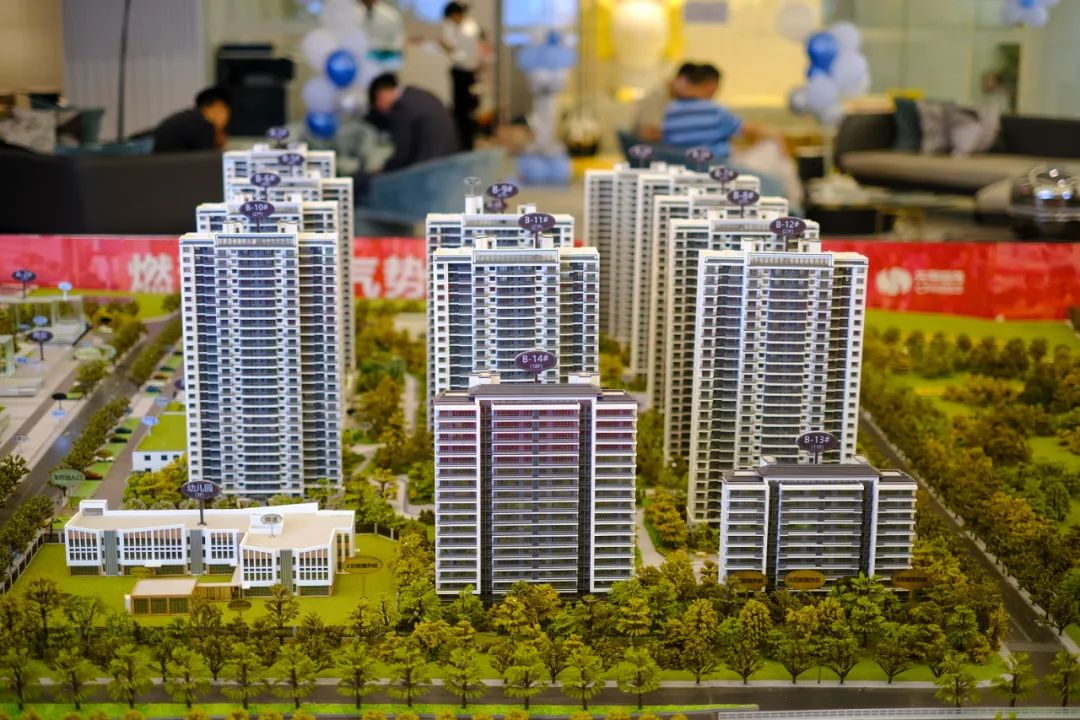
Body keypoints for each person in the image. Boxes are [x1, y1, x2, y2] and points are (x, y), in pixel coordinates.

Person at [356, 73, 459, 192]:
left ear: (381, 95)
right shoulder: (421, 95)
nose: (383, 112)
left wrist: (382, 172)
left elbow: (401, 154)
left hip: (426, 174)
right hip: (447, 168)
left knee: (362, 181)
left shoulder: (401, 108)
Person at [661, 63, 780, 159]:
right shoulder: (714, 111)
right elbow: (750, 130)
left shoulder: (669, 109)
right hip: (716, 167)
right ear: (710, 85)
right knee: (770, 148)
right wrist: (775, 136)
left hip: (679, 164)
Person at [440, 2, 481, 150]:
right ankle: (461, 142)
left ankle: (466, 143)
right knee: (460, 110)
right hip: (459, 71)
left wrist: (450, 49)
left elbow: (463, 54)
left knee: (466, 110)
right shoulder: (452, 26)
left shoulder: (469, 27)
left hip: (466, 72)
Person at [152, 87, 230, 153]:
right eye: (226, 112)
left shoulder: (189, 118)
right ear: (217, 106)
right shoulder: (203, 124)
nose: (226, 119)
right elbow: (208, 160)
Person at [634, 62, 697, 143]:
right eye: (689, 88)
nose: (689, 95)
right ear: (682, 80)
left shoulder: (673, 98)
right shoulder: (657, 96)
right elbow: (647, 132)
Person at [357, 0, 405, 67]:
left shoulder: (391, 16)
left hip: (383, 64)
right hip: (357, 62)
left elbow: (397, 45)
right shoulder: (352, 15)